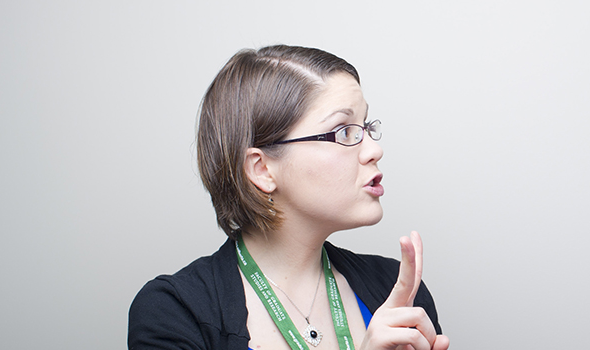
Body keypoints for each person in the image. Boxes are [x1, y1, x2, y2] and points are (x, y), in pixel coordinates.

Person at [129, 45, 450, 350]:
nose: (374, 150)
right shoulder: (175, 311)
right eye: (344, 131)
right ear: (262, 169)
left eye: (365, 127)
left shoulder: (398, 294)